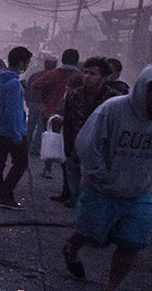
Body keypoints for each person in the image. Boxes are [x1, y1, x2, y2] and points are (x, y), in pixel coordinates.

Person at [61, 64, 152, 291]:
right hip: (100, 188)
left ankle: (112, 288)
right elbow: (86, 143)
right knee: (92, 233)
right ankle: (72, 246)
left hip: (138, 192)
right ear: (141, 88)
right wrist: (101, 174)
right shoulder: (113, 110)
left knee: (132, 241)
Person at [51, 56, 120, 208]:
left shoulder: (113, 99)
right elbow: (68, 122)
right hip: (76, 145)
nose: (87, 77)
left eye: (93, 74)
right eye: (86, 72)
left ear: (104, 78)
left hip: (101, 149)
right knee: (74, 180)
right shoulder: (75, 95)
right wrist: (67, 146)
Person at [0, 46, 32, 209]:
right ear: (21, 62)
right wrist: (17, 136)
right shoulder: (13, 84)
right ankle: (5, 195)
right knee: (21, 163)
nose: (27, 66)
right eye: (27, 63)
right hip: (11, 131)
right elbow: (13, 112)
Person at [31, 48, 81, 178]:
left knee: (51, 139)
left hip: (52, 110)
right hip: (75, 114)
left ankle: (48, 169)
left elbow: (36, 84)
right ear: (76, 61)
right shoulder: (81, 76)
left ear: (62, 60)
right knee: (71, 143)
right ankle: (68, 173)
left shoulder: (55, 74)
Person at [25, 55, 57, 155]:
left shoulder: (35, 74)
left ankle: (26, 146)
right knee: (41, 127)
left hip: (33, 103)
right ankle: (34, 149)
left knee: (30, 126)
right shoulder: (55, 77)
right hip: (45, 104)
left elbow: (28, 88)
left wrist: (27, 100)